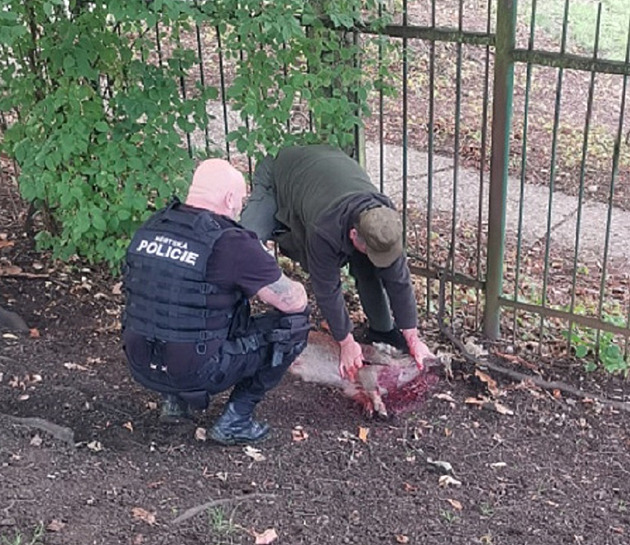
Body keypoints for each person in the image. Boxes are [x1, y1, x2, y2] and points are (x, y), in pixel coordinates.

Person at [121, 159, 310, 446]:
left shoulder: (155, 225)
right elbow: (293, 303)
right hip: (195, 370)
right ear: (230, 198)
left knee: (178, 306)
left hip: (140, 363)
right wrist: (265, 261)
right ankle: (236, 420)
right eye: (242, 200)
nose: (240, 208)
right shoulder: (231, 242)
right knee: (295, 326)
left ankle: (175, 404)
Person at [240, 144, 435, 382]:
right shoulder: (325, 229)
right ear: (354, 235)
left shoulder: (383, 222)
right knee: (244, 243)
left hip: (325, 170)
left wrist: (412, 338)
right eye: (369, 249)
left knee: (368, 267)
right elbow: (327, 289)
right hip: (282, 175)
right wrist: (346, 342)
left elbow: (399, 280)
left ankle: (382, 331)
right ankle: (233, 325)